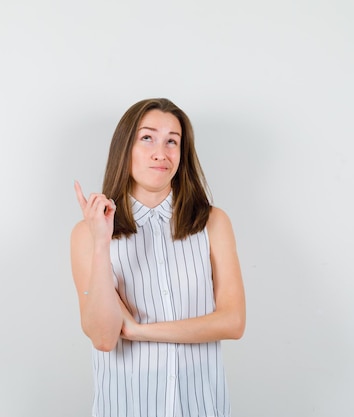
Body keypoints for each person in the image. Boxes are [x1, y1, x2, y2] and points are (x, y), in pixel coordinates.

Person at [70, 98, 246, 417]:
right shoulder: (88, 234)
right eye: (147, 137)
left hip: (201, 408)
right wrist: (100, 243)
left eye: (172, 142)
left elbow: (233, 322)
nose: (160, 153)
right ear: (126, 147)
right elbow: (104, 336)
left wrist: (139, 330)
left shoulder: (213, 223)